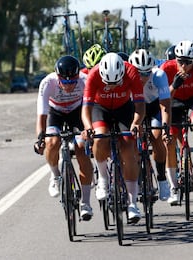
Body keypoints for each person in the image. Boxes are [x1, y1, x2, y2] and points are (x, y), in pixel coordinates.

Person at [81, 52, 146, 223]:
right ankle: (103, 178)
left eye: (116, 83)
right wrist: (88, 128)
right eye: (107, 83)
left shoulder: (131, 72)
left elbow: (140, 105)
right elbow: (86, 108)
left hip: (124, 108)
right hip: (100, 108)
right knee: (100, 138)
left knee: (128, 148)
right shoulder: (94, 74)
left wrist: (137, 123)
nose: (111, 87)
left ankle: (133, 204)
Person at [34, 55, 94, 221]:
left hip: (78, 111)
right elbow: (42, 117)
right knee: (51, 142)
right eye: (64, 82)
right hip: (56, 112)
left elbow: (92, 110)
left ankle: (86, 203)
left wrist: (90, 131)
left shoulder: (85, 80)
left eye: (72, 82)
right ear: (57, 76)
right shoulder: (47, 83)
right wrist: (40, 138)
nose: (68, 86)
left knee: (82, 149)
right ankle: (55, 175)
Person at [160, 40, 193, 205]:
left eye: (189, 62)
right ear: (175, 59)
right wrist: (175, 84)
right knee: (169, 142)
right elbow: (163, 98)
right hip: (173, 101)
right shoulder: (166, 69)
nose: (184, 65)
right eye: (180, 61)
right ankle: (173, 187)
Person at [128, 48, 171, 201]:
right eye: (140, 73)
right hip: (134, 109)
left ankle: (162, 179)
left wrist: (166, 126)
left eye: (147, 73)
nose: (143, 77)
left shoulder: (159, 75)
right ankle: (138, 177)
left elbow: (165, 105)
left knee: (157, 136)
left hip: (154, 107)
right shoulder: (126, 76)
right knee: (131, 143)